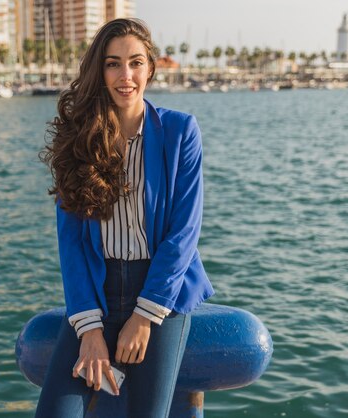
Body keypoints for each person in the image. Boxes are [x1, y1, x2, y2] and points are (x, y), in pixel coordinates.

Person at [36, 18, 214, 418]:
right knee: (55, 412)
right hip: (97, 291)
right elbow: (72, 243)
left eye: (135, 63)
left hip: (161, 291)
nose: (126, 75)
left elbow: (183, 233)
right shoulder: (78, 139)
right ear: (99, 71)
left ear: (150, 67)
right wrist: (90, 329)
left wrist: (145, 316)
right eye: (113, 63)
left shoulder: (180, 131)